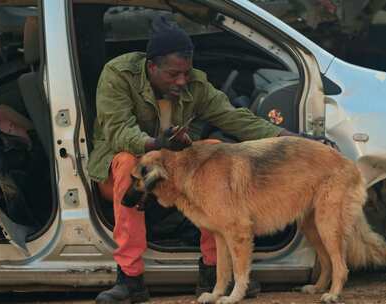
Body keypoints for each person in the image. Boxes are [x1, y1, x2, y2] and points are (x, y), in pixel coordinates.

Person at [88, 17, 298, 303]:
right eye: (173, 75)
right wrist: (158, 143)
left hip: (172, 165)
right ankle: (130, 279)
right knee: (128, 164)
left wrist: (292, 138)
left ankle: (214, 273)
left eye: (186, 73)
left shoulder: (195, 83)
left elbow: (234, 118)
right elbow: (118, 131)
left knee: (214, 149)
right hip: (127, 166)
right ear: (152, 67)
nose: (182, 81)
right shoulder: (118, 74)